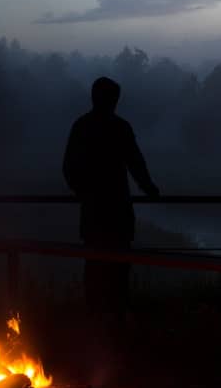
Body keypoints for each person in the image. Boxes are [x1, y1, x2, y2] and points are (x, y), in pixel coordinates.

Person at [62, 76, 160, 330]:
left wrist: (83, 192)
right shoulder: (120, 128)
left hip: (94, 211)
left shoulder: (82, 127)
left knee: (94, 268)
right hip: (117, 210)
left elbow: (68, 168)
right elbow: (136, 164)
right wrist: (150, 189)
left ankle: (94, 324)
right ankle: (116, 324)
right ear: (113, 100)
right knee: (118, 270)